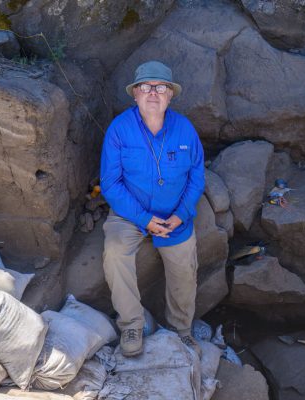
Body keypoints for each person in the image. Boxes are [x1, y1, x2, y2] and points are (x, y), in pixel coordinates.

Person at [100, 60, 205, 358]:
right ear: (135, 94)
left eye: (161, 87)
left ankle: (181, 330)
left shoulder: (185, 129)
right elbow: (111, 184)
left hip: (175, 216)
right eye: (145, 87)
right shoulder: (119, 129)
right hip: (130, 214)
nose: (153, 93)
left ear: (171, 95)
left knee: (185, 265)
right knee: (115, 253)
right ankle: (132, 324)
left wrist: (182, 214)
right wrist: (145, 219)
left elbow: (197, 177)